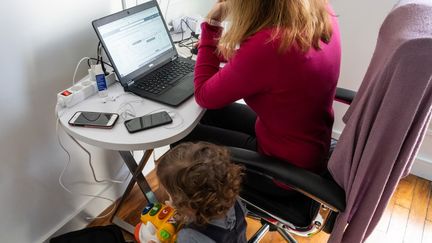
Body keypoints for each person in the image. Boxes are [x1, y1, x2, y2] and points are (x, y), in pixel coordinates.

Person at [182, 0, 341, 175]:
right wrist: (222, 52)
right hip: (308, 144)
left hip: (284, 170)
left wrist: (212, 24)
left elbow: (203, 95)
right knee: (208, 115)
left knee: (184, 139)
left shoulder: (269, 43)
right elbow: (277, 63)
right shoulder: (321, 13)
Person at [156, 142, 247, 243]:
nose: (169, 199)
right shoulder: (234, 200)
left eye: (170, 195)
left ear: (185, 203)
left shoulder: (189, 237)